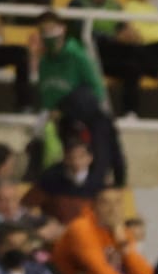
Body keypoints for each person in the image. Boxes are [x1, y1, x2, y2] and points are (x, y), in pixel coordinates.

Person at [32, 12, 123, 190]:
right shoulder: (44, 62)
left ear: (62, 30)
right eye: (44, 30)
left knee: (97, 158)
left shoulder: (77, 56)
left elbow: (96, 89)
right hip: (58, 121)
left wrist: (67, 109)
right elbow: (45, 93)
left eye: (51, 29)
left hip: (85, 118)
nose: (48, 34)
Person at [52, 188, 158, 274]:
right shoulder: (81, 227)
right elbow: (98, 271)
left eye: (118, 202)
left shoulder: (123, 232)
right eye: (106, 203)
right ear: (94, 206)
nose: (113, 209)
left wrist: (122, 242)